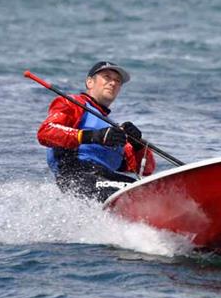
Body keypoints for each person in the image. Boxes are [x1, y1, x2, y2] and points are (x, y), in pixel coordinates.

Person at [37, 61, 154, 201]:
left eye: (117, 81)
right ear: (90, 82)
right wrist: (93, 136)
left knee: (154, 192)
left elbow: (146, 170)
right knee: (144, 196)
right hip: (77, 176)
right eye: (107, 77)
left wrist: (138, 144)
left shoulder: (113, 129)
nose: (113, 83)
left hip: (106, 179)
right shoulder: (72, 104)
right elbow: (46, 132)